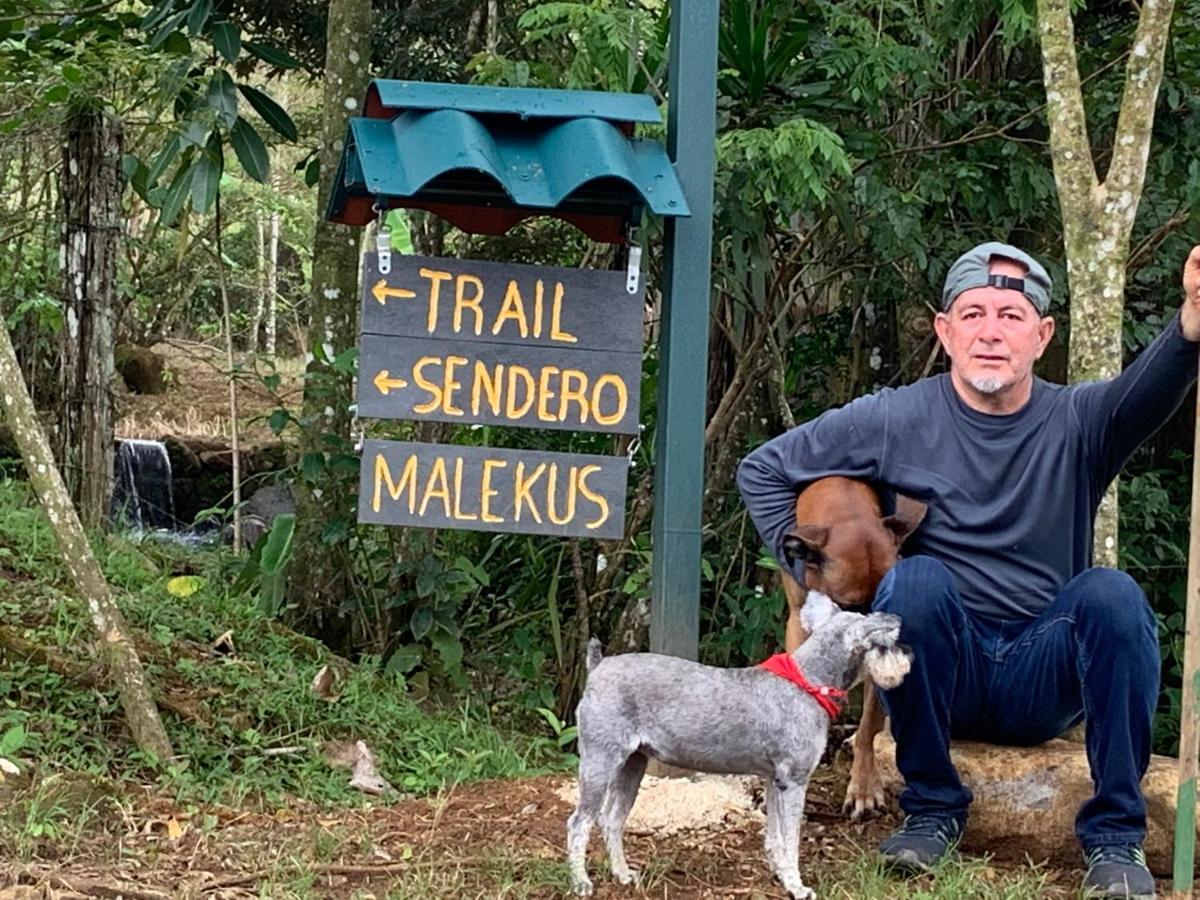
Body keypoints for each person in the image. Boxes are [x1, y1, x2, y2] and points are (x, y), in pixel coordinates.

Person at [737, 241, 1200, 899]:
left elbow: (1144, 393)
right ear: (944, 331)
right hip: (941, 677)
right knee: (915, 583)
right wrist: (806, 573)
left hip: (1041, 678)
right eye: (974, 313)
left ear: (1042, 336)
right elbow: (763, 469)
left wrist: (1189, 323)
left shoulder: (1077, 421)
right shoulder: (896, 417)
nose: (990, 331)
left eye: (1011, 317)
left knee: (1113, 594)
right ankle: (932, 810)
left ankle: (1116, 839)